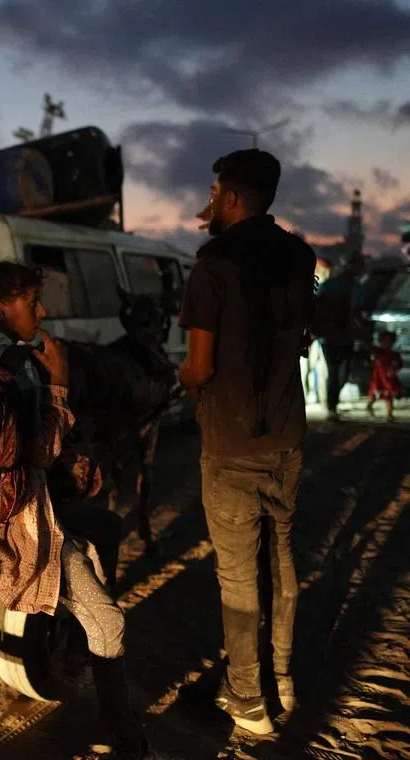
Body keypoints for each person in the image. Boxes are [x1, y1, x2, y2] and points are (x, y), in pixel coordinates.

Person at [0, 262, 151, 759]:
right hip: (20, 521)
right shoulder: (19, 366)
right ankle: (130, 744)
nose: (41, 311)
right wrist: (61, 386)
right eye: (31, 300)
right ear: (3, 307)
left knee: (104, 525)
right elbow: (38, 452)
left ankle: (67, 643)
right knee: (110, 623)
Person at [179, 149, 315, 733]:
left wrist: (183, 379)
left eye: (214, 192)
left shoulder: (214, 263)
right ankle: (282, 680)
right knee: (281, 560)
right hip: (286, 438)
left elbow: (201, 366)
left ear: (232, 198)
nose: (209, 203)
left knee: (238, 577)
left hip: (232, 442)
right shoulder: (298, 254)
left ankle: (248, 700)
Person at [317, 252, 366, 420]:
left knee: (337, 372)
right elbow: (357, 312)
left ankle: (332, 405)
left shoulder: (331, 284)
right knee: (339, 372)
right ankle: (332, 406)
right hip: (338, 336)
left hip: (336, 336)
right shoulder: (350, 286)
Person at [366, 330, 403, 421]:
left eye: (389, 341)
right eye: (384, 341)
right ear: (380, 342)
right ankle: (369, 405)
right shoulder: (377, 352)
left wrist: (394, 368)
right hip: (378, 378)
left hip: (389, 379)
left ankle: (389, 414)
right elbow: (368, 347)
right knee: (374, 394)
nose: (387, 343)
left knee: (389, 395)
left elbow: (399, 364)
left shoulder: (394, 354)